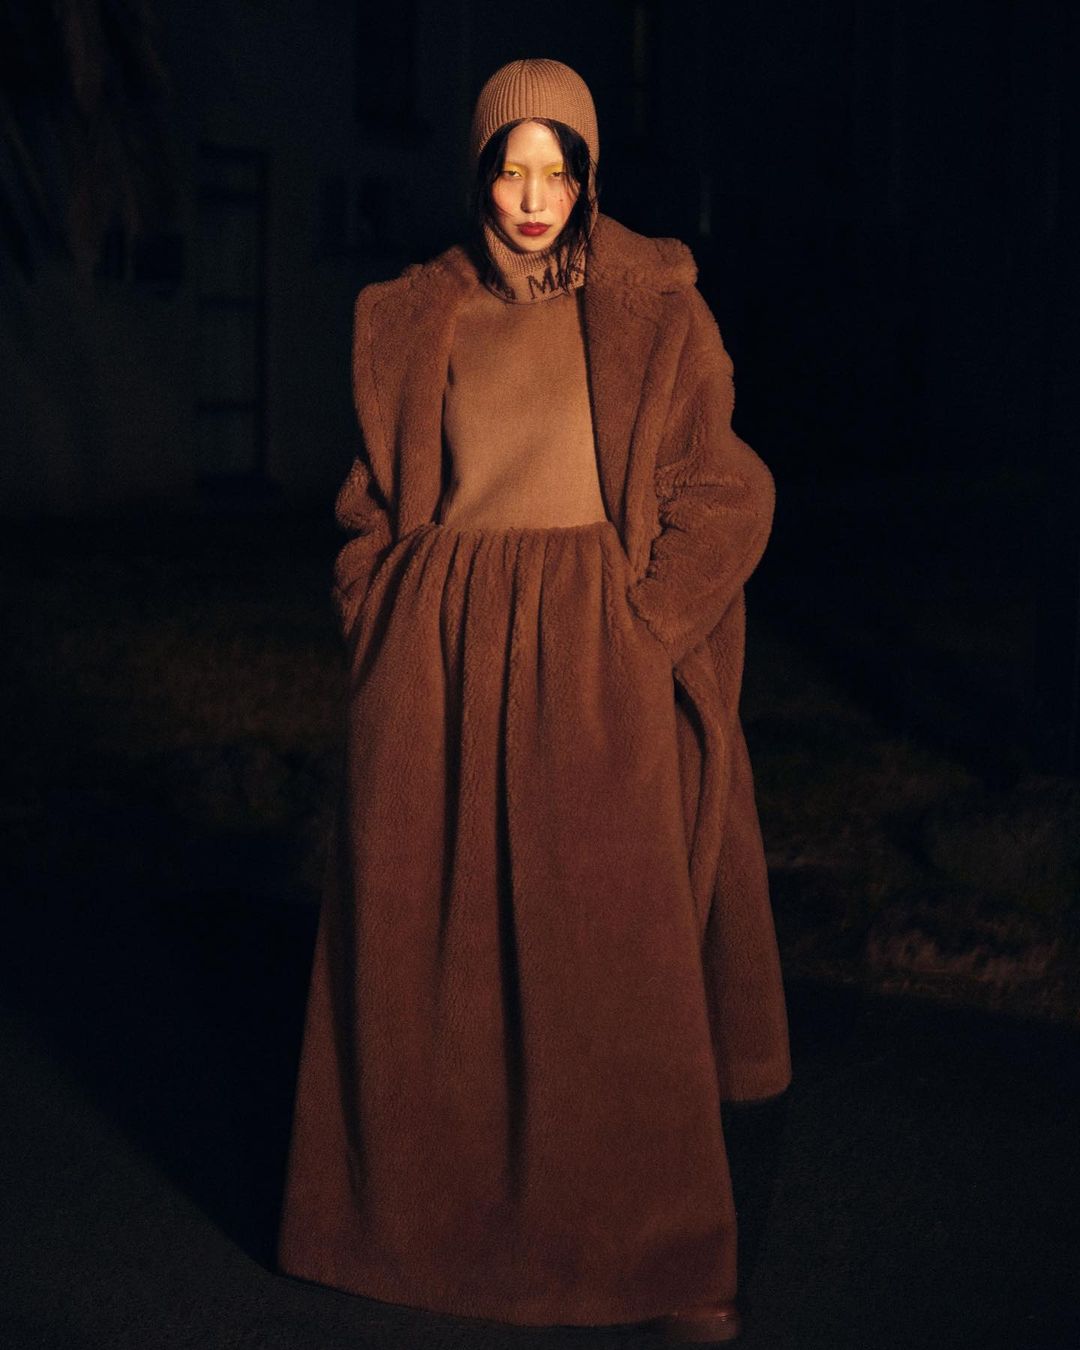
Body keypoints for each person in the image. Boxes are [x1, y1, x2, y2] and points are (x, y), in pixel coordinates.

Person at [277, 57, 791, 1344]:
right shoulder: (421, 317)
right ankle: (416, 1240)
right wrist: (380, 612)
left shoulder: (654, 309)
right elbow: (371, 502)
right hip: (436, 670)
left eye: (557, 171)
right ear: (480, 174)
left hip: (593, 665)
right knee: (433, 960)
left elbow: (731, 490)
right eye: (510, 168)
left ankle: (668, 1260)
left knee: (616, 968)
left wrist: (643, 628)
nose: (531, 196)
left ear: (589, 179)